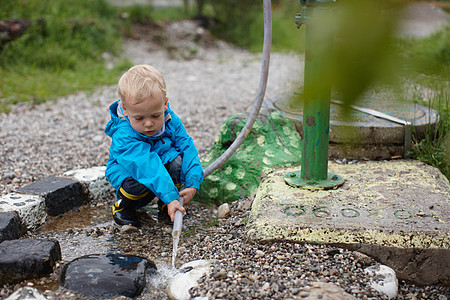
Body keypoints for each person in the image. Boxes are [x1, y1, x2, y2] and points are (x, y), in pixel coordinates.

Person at [104, 64, 204, 227]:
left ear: (164, 104)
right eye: (139, 118)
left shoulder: (170, 120)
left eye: (155, 115)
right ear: (125, 110)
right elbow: (146, 165)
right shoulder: (124, 135)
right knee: (137, 179)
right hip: (133, 173)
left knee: (177, 161)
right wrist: (170, 196)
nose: (148, 123)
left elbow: (187, 148)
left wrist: (193, 182)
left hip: (159, 172)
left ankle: (167, 205)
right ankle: (123, 207)